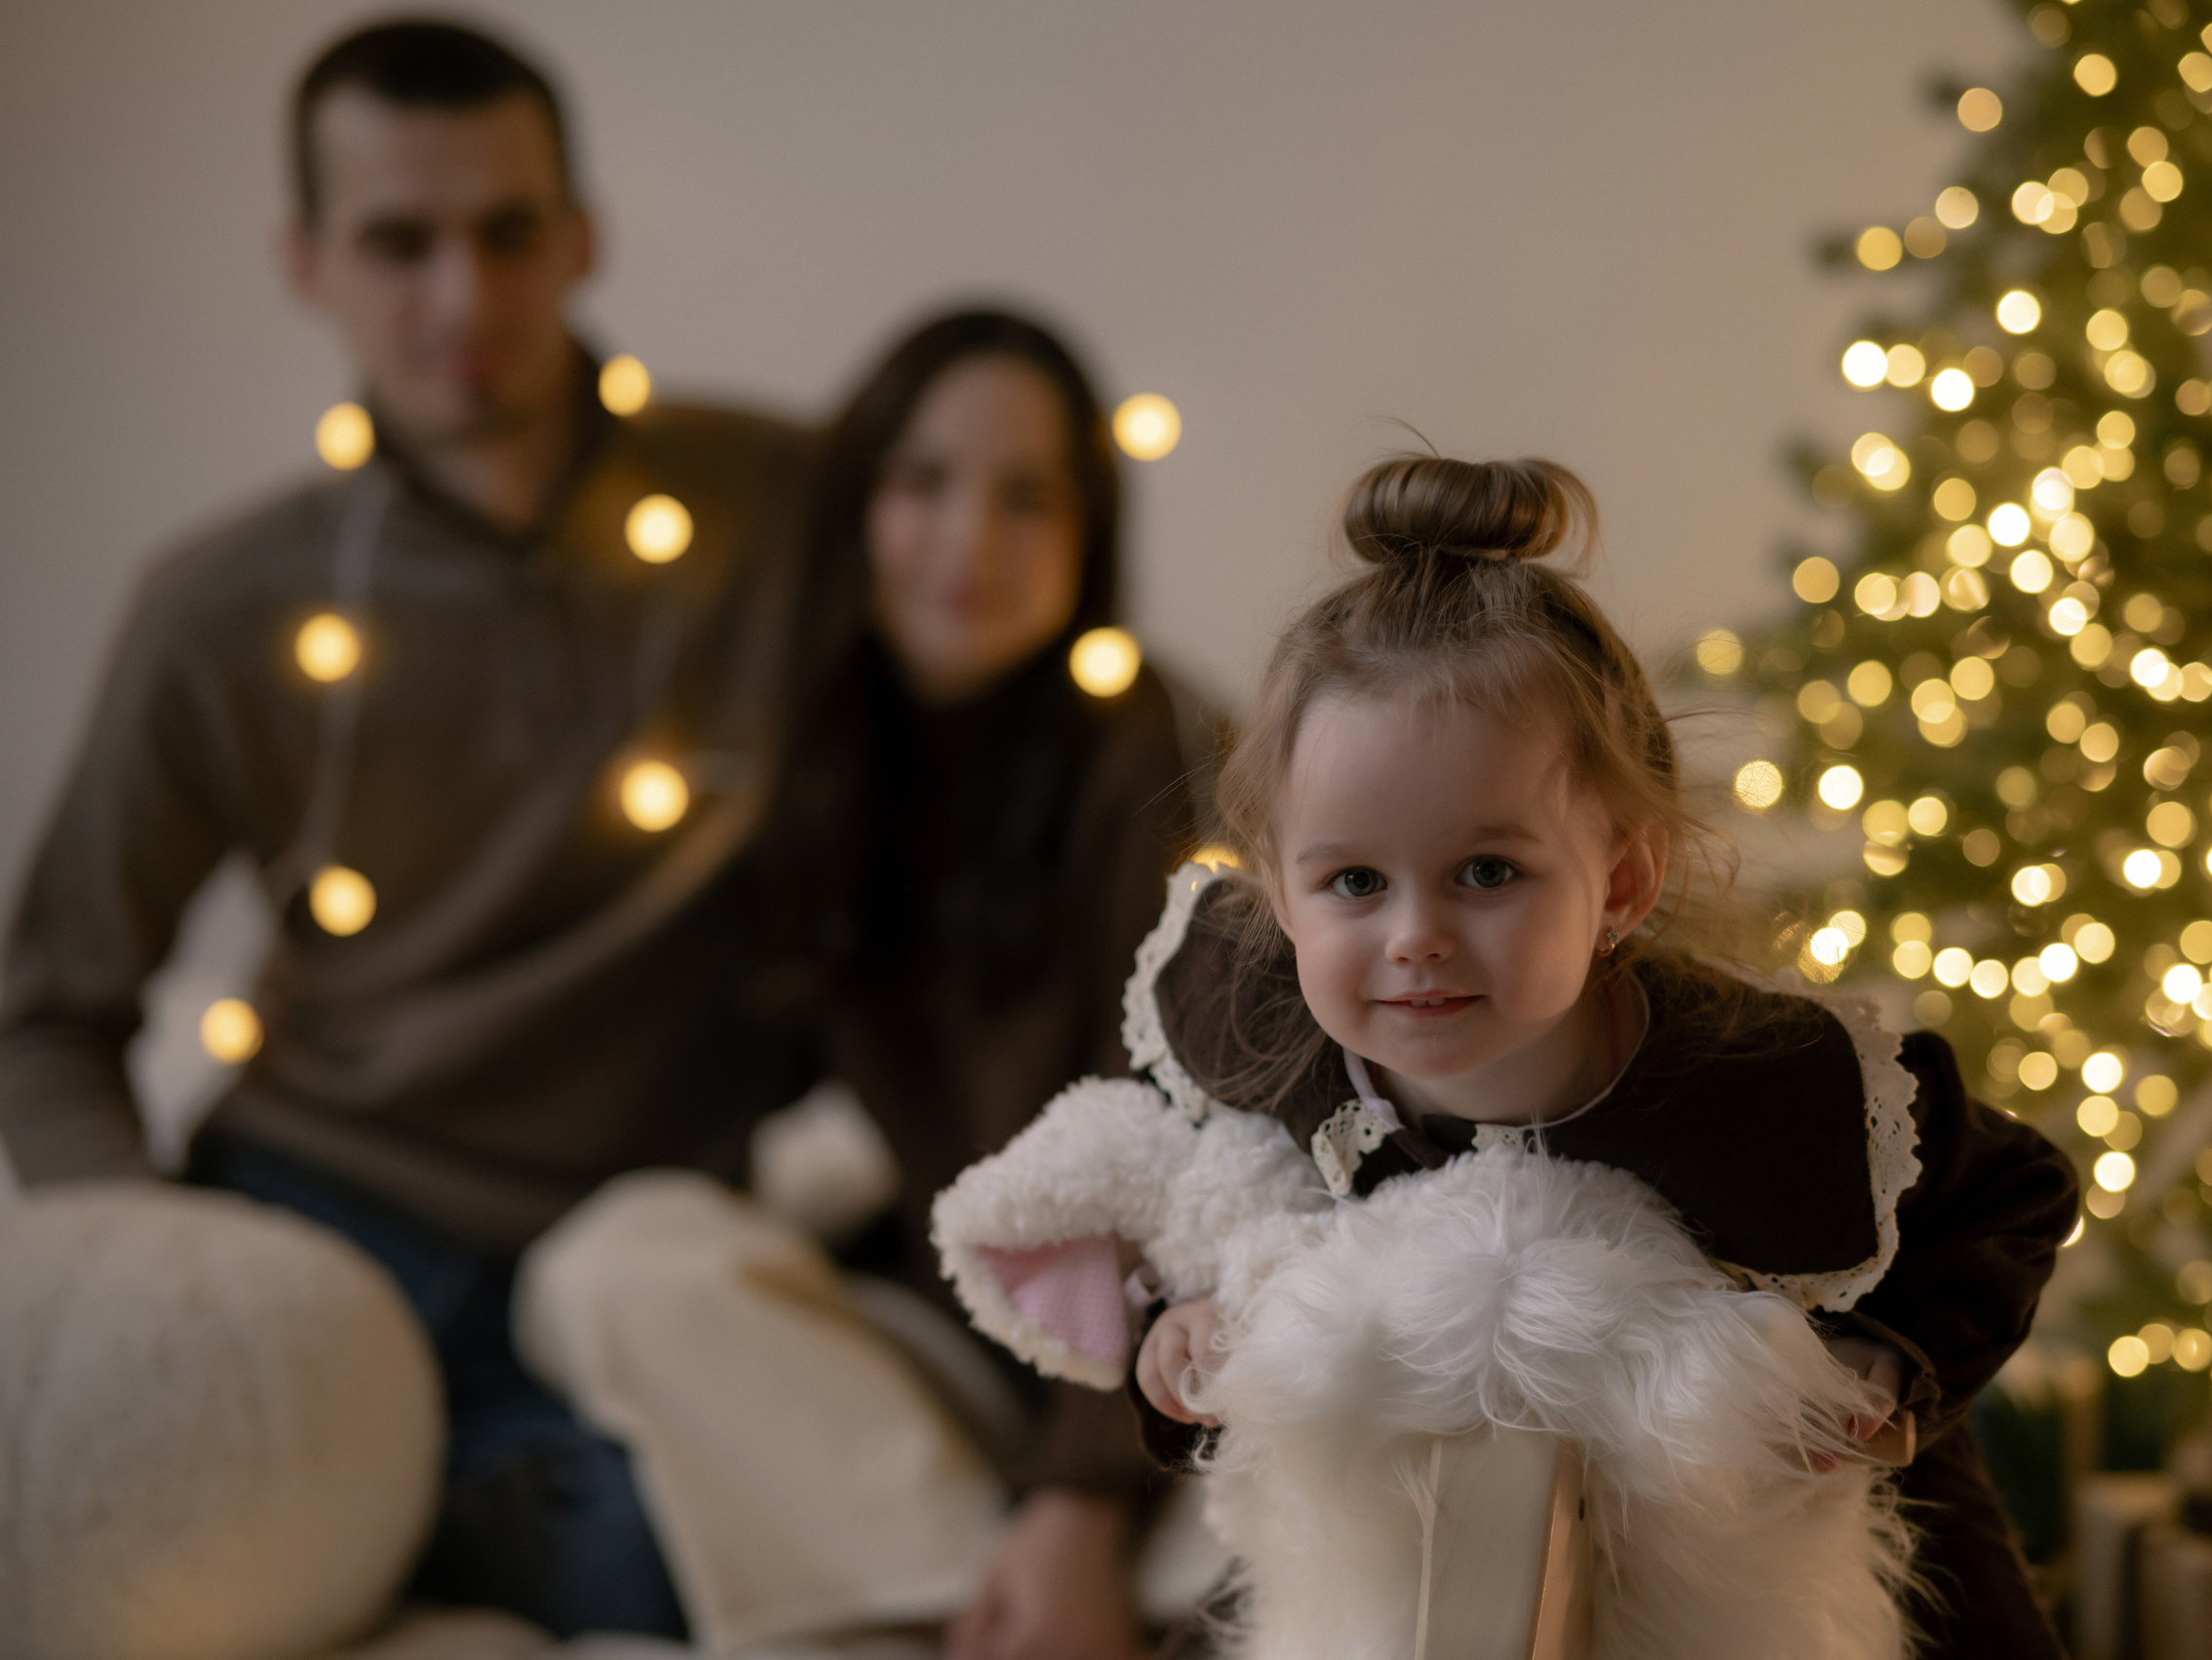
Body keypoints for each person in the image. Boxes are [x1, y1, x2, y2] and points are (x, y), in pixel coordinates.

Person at [932, 455, 2079, 1657]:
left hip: (1757, 1496)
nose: (1414, 938)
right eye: (1354, 881)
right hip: (1427, 1472)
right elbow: (1209, 1187)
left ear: (1621, 880)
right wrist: (1183, 1316)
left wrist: (1888, 1364)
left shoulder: (1760, 1086)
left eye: (1488, 871)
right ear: (1277, 887)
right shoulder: (1260, 1017)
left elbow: (2013, 1190)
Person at [0, 19, 819, 1638]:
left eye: (507, 234)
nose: (461, 301)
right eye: (399, 242)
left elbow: (1061, 670)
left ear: (581, 237)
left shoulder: (778, 507)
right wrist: (172, 1289)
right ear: (309, 264)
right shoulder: (225, 607)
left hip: (645, 1254)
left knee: (706, 1558)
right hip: (325, 1231)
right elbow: (49, 1016)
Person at [766, 309, 1217, 1657]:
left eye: (1028, 495)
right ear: (859, 504)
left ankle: (1038, 1577)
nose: (971, 538)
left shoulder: (1152, 760)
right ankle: (998, 1593)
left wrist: (1084, 1491)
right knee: (618, 1263)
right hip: (939, 1356)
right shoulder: (809, 752)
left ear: (1089, 536)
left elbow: (1178, 1159)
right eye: (923, 483)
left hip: (1143, 1369)